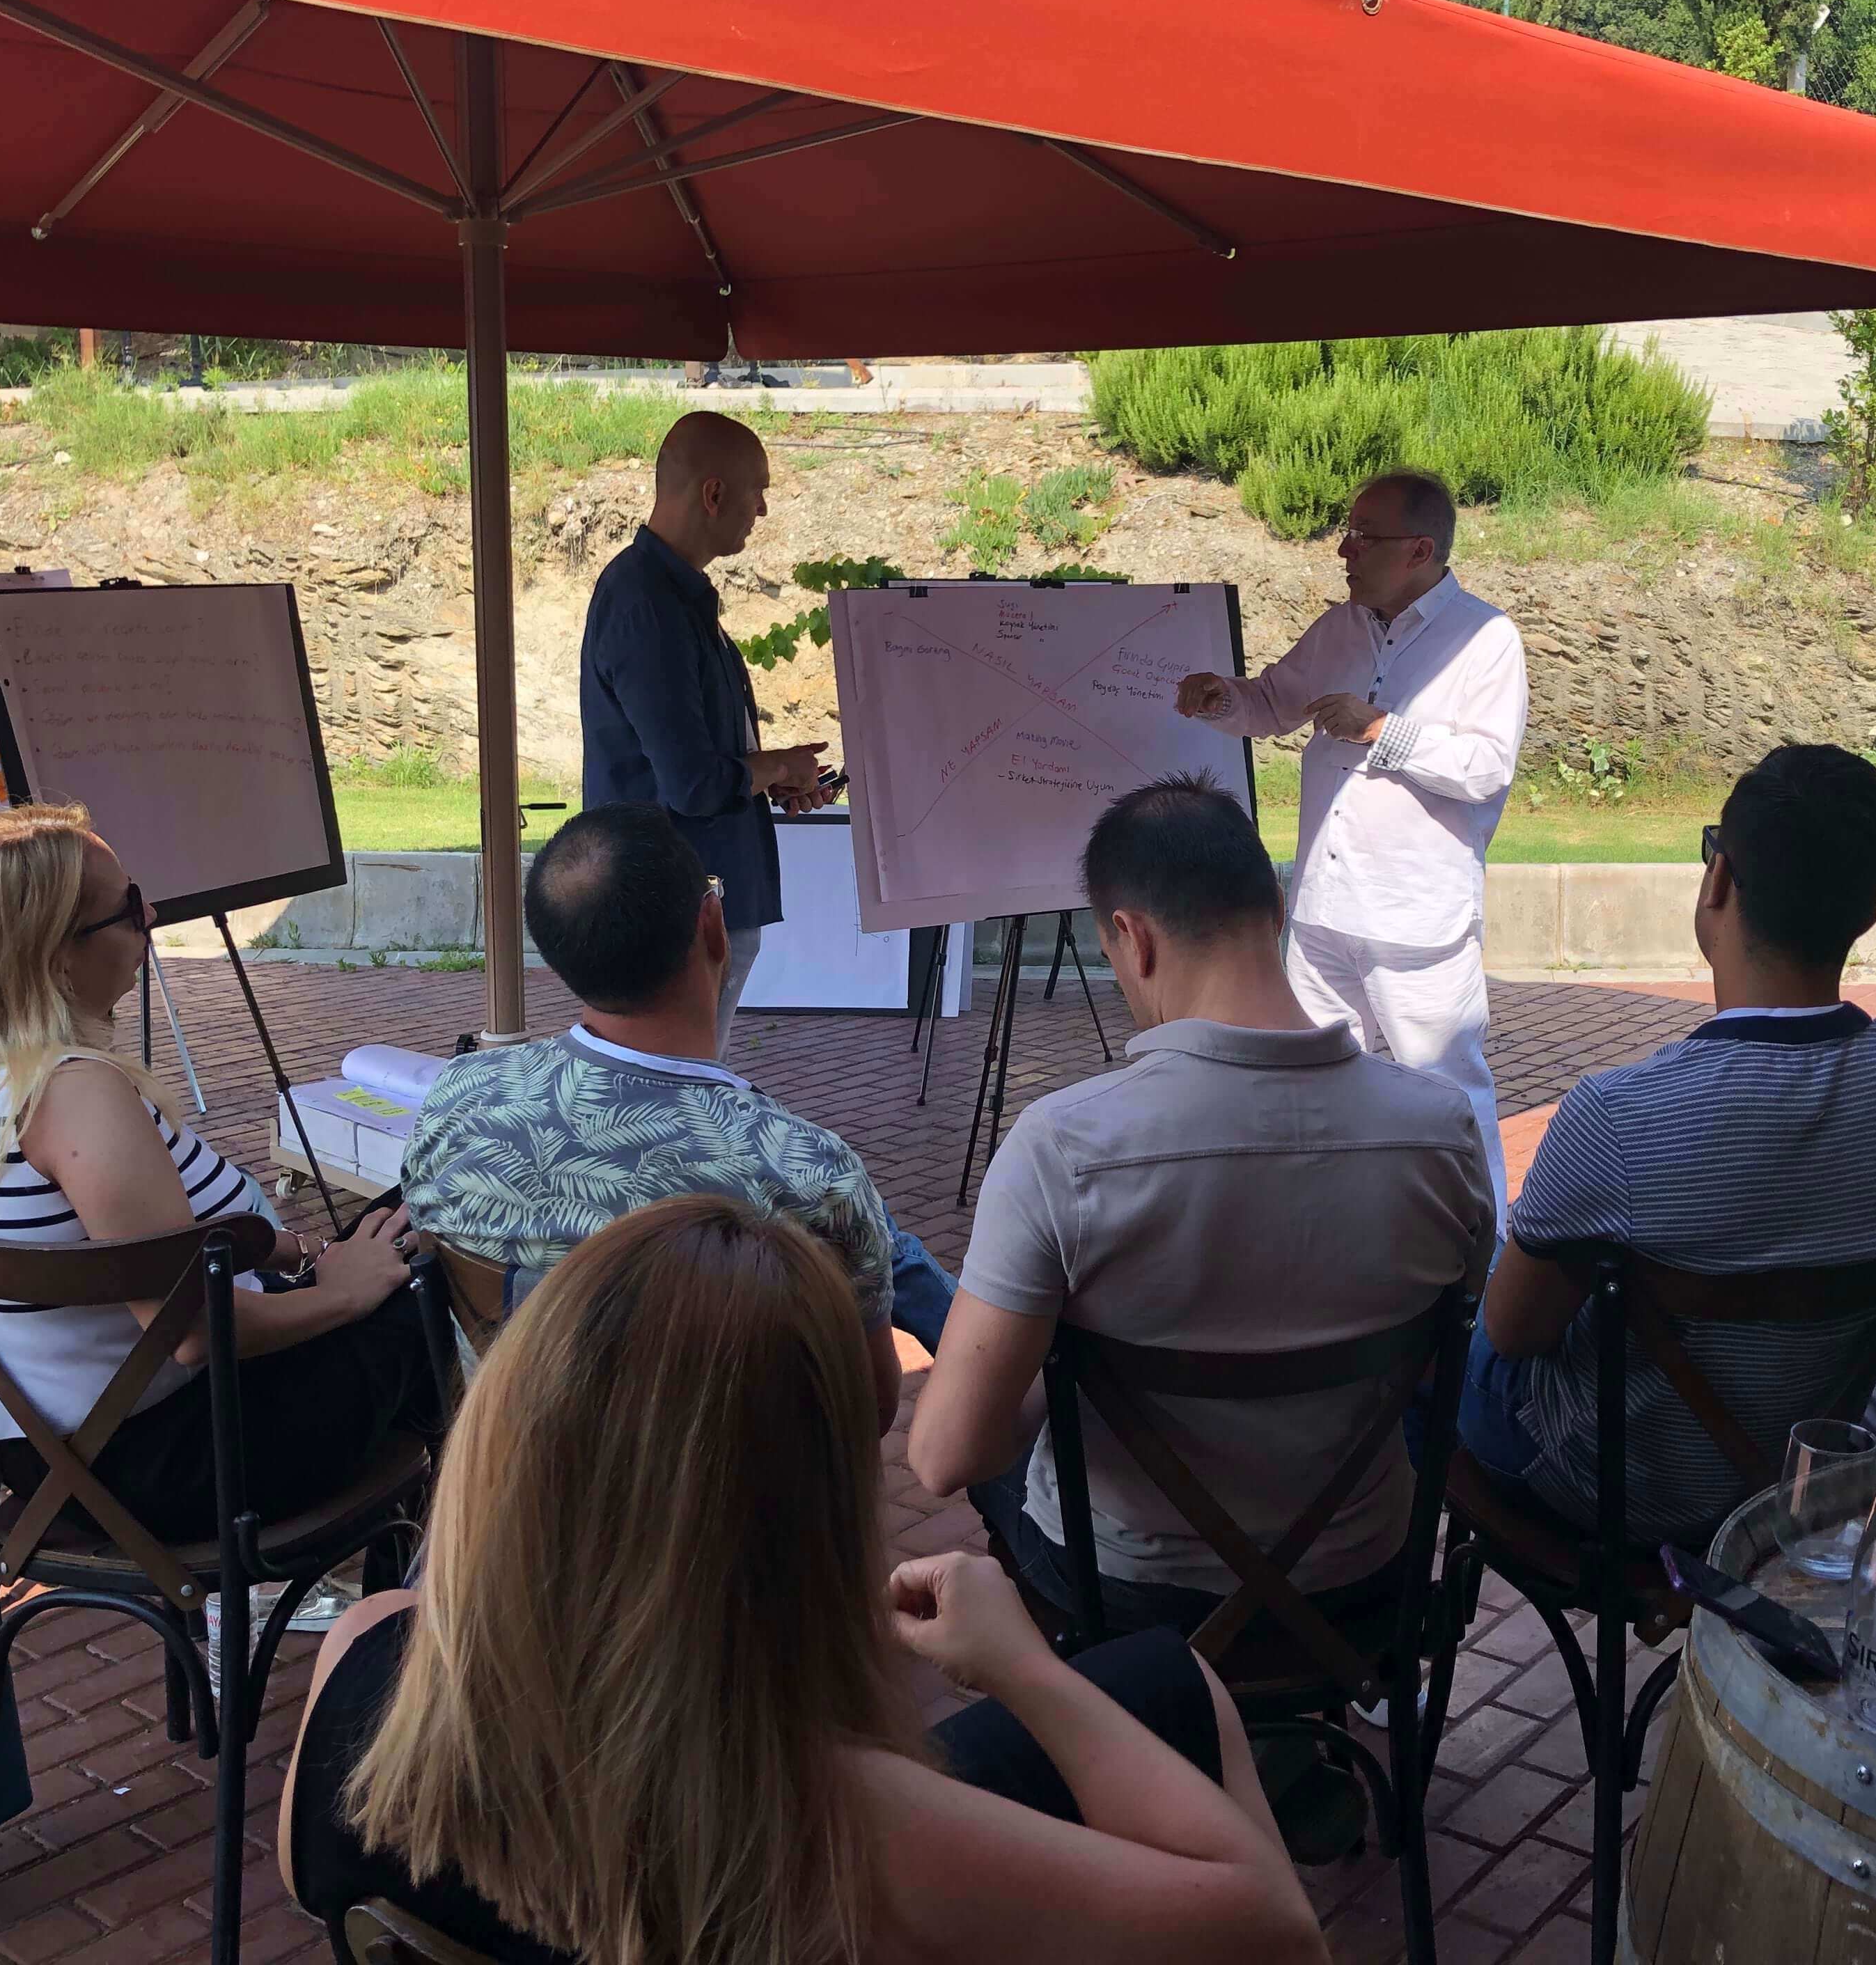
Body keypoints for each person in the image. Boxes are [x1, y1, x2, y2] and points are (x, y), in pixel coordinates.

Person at [282, 1194, 1322, 1965]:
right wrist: (1027, 1670)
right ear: (801, 1512)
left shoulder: (364, 1656)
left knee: (1157, 1681)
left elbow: (306, 1877)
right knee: (1173, 1682)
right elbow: (1277, 1935)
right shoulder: (852, 1827)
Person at [910, 776, 1498, 1636]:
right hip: (1364, 1584)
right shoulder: (1442, 1131)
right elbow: (1448, 1367)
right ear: (1279, 909)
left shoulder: (1061, 1147)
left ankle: (1086, 1705)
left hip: (1129, 1598)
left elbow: (944, 1457)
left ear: (1132, 938)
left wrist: (1062, 1376)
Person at [1462, 745, 1876, 1550]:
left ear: (1717, 880)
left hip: (1606, 1493)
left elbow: (1515, 1335)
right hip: (1814, 1485)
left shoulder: (1613, 1120)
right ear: (1872, 912)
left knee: (1437, 1341)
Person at [0, 805, 438, 1542]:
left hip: (55, 1453)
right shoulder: (72, 1095)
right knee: (453, 1270)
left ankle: (417, 1548)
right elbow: (195, 1333)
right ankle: (453, 1556)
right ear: (56, 957)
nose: (150, 915)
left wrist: (310, 1255)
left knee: (418, 1213)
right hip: (166, 1460)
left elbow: (163, 1248)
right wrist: (342, 1294)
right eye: (128, 908)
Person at [400, 803, 957, 1427]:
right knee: (884, 1240)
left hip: (513, 1466)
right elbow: (868, 1409)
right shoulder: (805, 1171)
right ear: (713, 926)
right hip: (733, 1486)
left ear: (559, 953)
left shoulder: (458, 1100)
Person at [1173, 471, 1526, 1211]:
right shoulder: (1341, 627)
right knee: (1315, 1091)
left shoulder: (1486, 640)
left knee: (1445, 1095)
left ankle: (1485, 1250)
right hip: (1323, 911)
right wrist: (1223, 698)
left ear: (1420, 550)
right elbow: (1273, 704)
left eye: (1366, 535)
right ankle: (1332, 1238)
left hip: (1416, 919)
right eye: (1349, 531)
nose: (1345, 549)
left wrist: (1382, 731)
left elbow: (1487, 769)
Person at [580, 409, 829, 1055]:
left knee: (676, 1085)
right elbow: (692, 784)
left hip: (693, 898)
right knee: (668, 1092)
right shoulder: (647, 603)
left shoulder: (671, 595)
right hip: (671, 906)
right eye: (758, 492)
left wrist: (767, 776)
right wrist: (777, 767)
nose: (763, 510)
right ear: (714, 493)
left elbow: (699, 760)